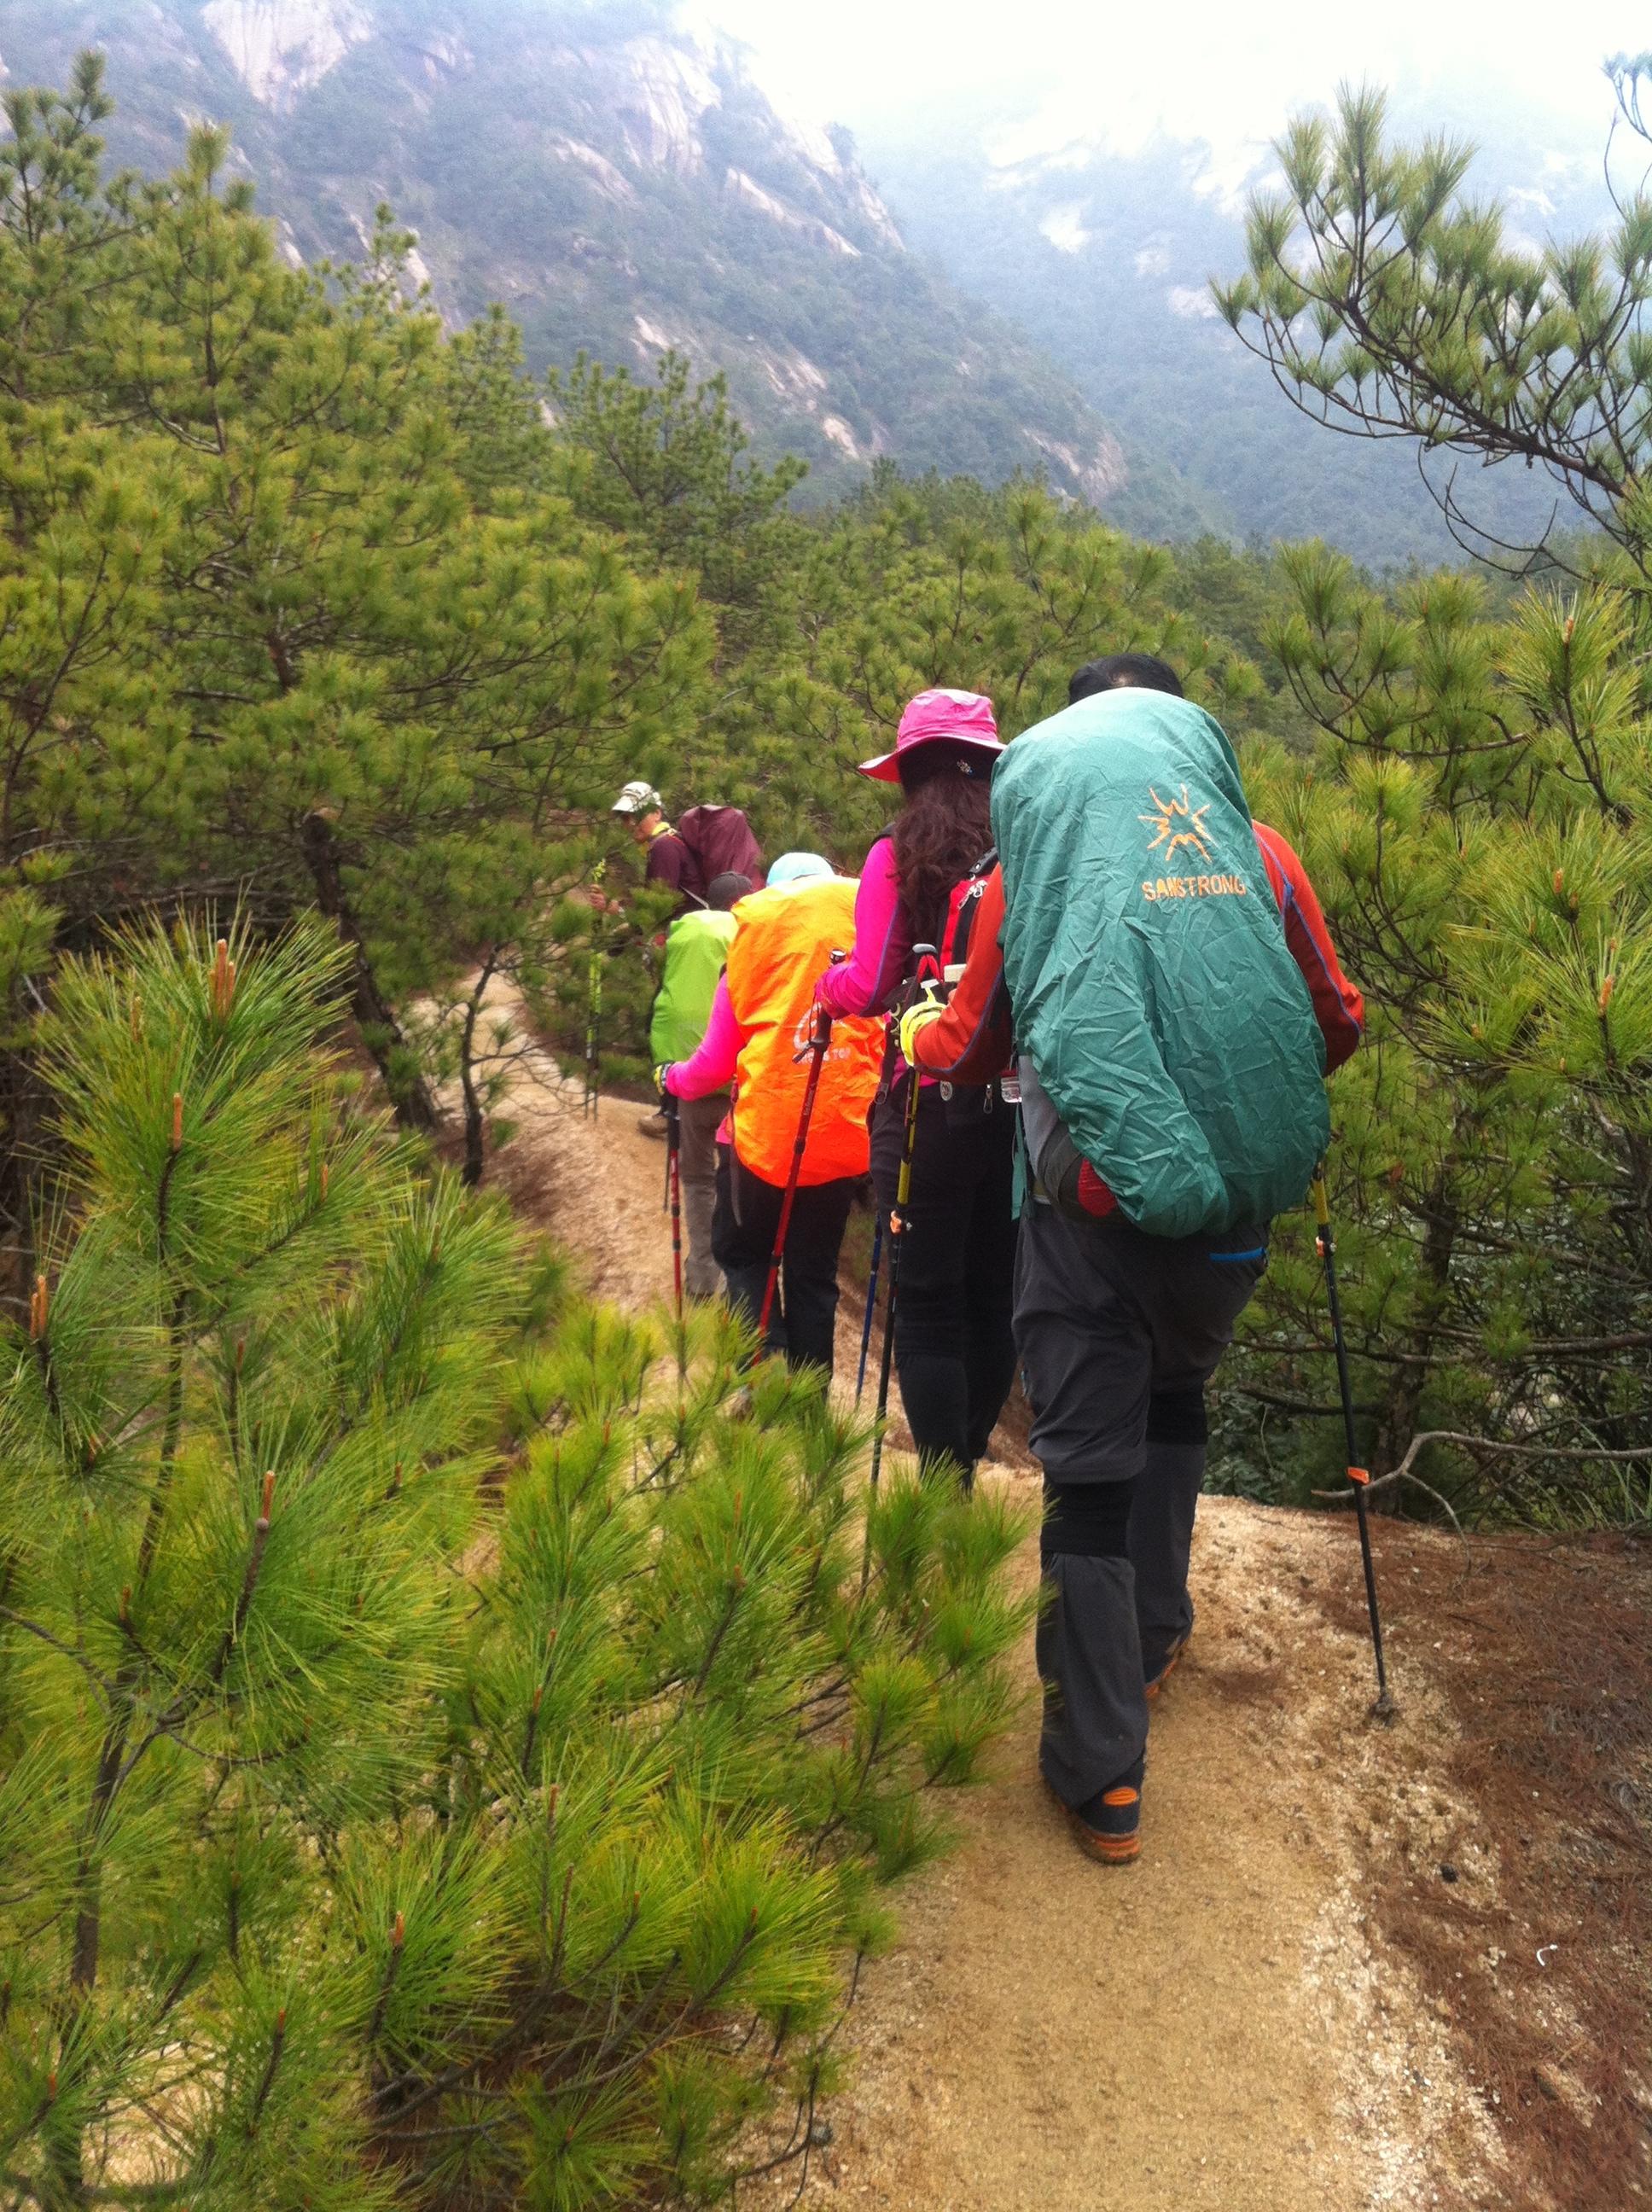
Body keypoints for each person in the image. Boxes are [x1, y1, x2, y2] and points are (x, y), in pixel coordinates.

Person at [900, 655, 1364, 1866]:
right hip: (1231, 1225)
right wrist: (1232, 1120)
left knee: (1088, 1475)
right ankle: (1157, 1635)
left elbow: (972, 1044)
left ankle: (1102, 1773)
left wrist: (914, 1029)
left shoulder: (1037, 865)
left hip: (1089, 1224)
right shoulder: (1259, 854)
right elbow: (1335, 1018)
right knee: (1176, 1398)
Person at [814, 688, 1017, 1487]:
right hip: (1016, 1101)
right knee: (994, 1295)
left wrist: (827, 989)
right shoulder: (1024, 847)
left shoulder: (895, 855)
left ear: (909, 772)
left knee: (928, 1300)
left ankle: (944, 1482)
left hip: (923, 1097)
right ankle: (968, 1449)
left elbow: (870, 984)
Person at [659, 853, 884, 1376]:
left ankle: (761, 1375)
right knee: (814, 1277)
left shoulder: (750, 956)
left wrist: (669, 1078)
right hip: (842, 1141)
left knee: (745, 1258)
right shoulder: (871, 964)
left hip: (761, 1144)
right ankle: (807, 1399)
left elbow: (711, 1068)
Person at [649, 871, 751, 1299]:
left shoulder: (682, 932)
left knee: (696, 1178)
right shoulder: (750, 932)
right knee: (736, 1179)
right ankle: (737, 1279)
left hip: (688, 1074)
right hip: (738, 1079)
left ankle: (702, 1275)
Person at [610, 780, 705, 906]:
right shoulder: (666, 841)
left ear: (657, 813)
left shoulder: (663, 845)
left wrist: (621, 911)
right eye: (625, 818)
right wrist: (617, 907)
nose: (632, 823)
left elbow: (659, 907)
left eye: (638, 815)